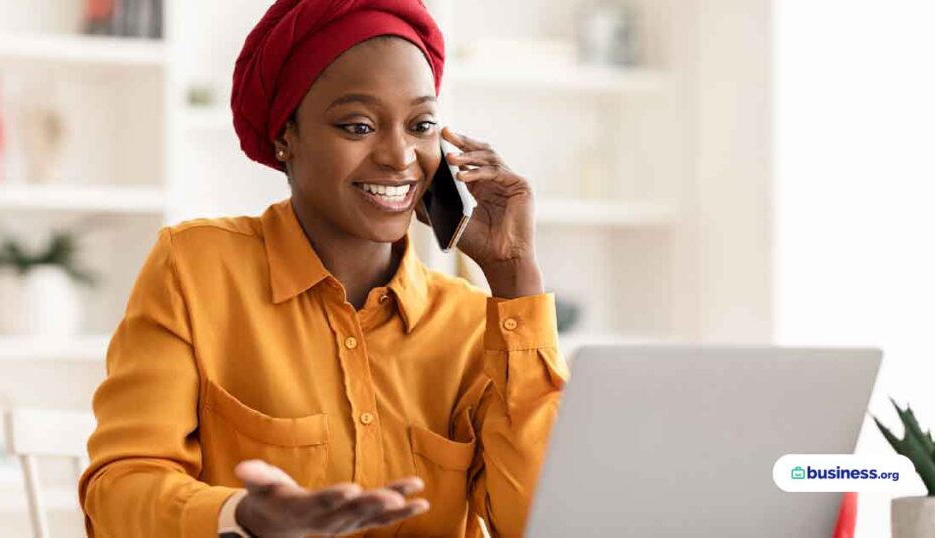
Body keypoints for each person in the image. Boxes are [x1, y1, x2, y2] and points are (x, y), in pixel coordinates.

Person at [77, 0, 568, 536]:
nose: (400, 156)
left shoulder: (471, 320)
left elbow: (536, 523)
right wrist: (242, 517)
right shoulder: (195, 270)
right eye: (357, 126)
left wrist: (514, 275)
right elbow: (119, 491)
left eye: (421, 124)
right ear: (287, 136)